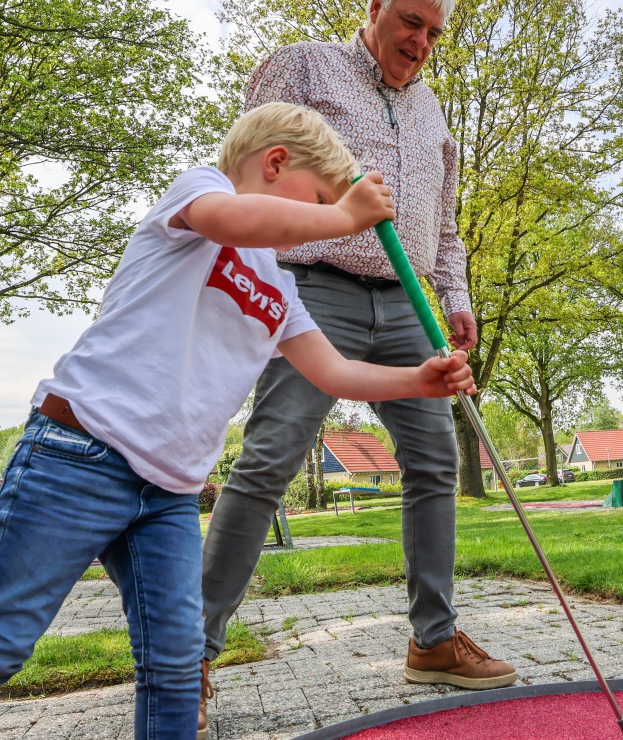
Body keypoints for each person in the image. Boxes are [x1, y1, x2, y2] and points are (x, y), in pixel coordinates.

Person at [0, 102, 478, 740]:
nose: (322, 227)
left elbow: (335, 372)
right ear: (275, 163)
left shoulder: (281, 288)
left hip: (168, 492)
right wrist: (344, 215)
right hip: (78, 455)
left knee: (176, 666)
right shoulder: (201, 193)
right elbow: (231, 219)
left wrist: (417, 380)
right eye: (317, 200)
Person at [201, 0, 521, 705]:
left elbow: (444, 227)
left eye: (434, 32)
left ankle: (434, 640)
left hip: (407, 304)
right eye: (410, 21)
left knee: (435, 462)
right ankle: (188, 655)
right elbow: (249, 178)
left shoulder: (433, 112)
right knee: (270, 459)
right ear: (374, 7)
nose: (421, 41)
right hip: (314, 286)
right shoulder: (304, 66)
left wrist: (456, 294)